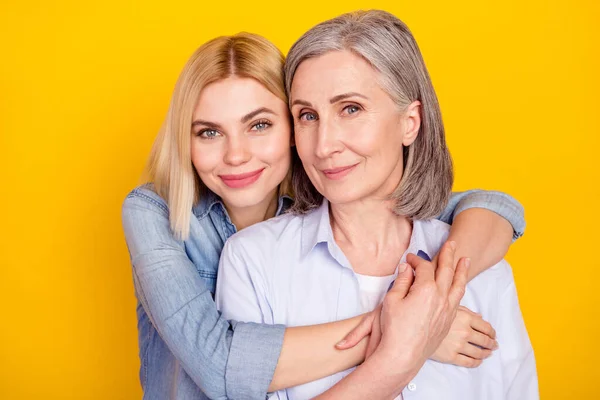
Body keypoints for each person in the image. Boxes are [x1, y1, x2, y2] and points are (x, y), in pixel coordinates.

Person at [122, 31, 526, 399]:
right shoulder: (157, 214)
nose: (235, 154)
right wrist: (411, 333)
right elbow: (221, 365)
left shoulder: (333, 197)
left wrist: (432, 297)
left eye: (260, 125)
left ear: (291, 133)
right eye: (208, 132)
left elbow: (487, 205)